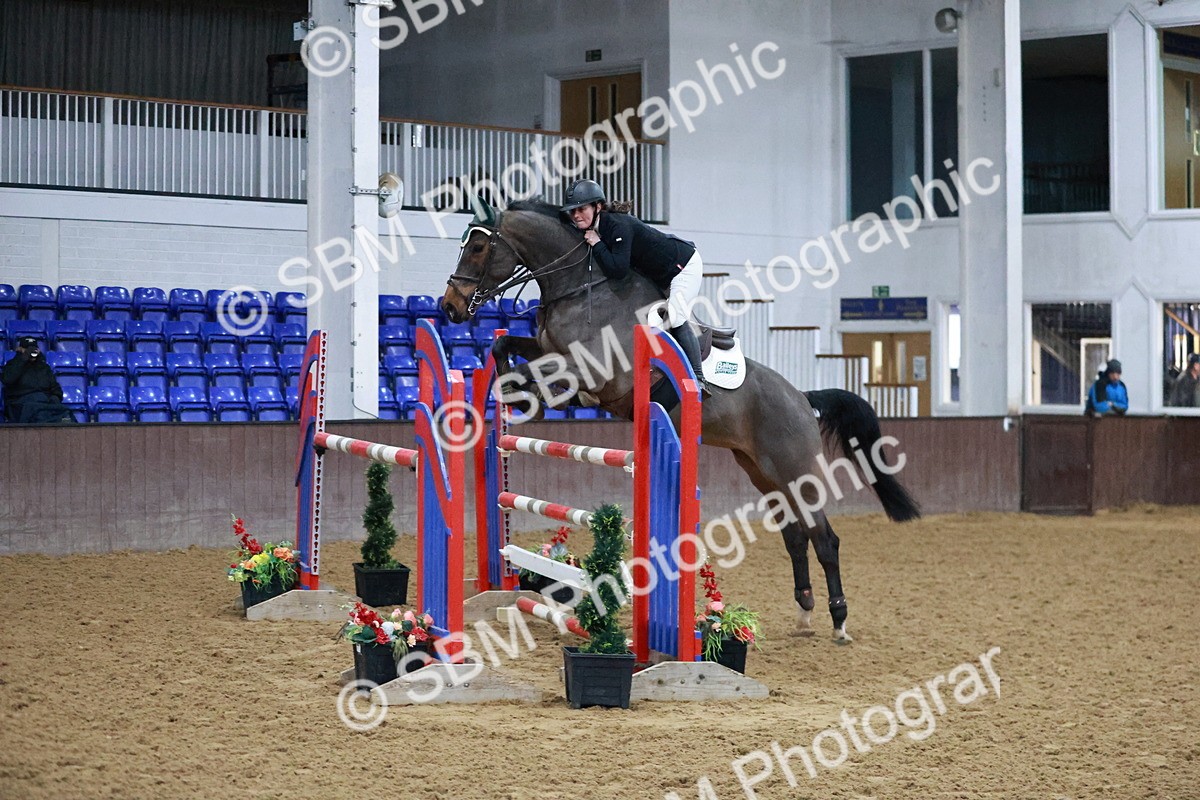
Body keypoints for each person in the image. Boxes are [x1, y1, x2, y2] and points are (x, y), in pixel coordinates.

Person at [561, 178, 708, 394]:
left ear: (598, 206)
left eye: (581, 209)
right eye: (572, 211)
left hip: (683, 267)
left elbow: (618, 270)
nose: (576, 215)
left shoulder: (616, 225)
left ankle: (698, 378)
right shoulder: (596, 227)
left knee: (674, 317)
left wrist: (598, 244)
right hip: (658, 274)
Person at [1, 336, 73, 424]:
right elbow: (8, 379)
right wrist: (23, 358)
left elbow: (56, 388)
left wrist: (55, 397)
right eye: (27, 349)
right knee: (38, 413)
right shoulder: (12, 365)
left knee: (66, 413)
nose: (31, 352)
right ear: (20, 349)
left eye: (33, 349)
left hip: (45, 404)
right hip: (22, 404)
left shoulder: (44, 367)